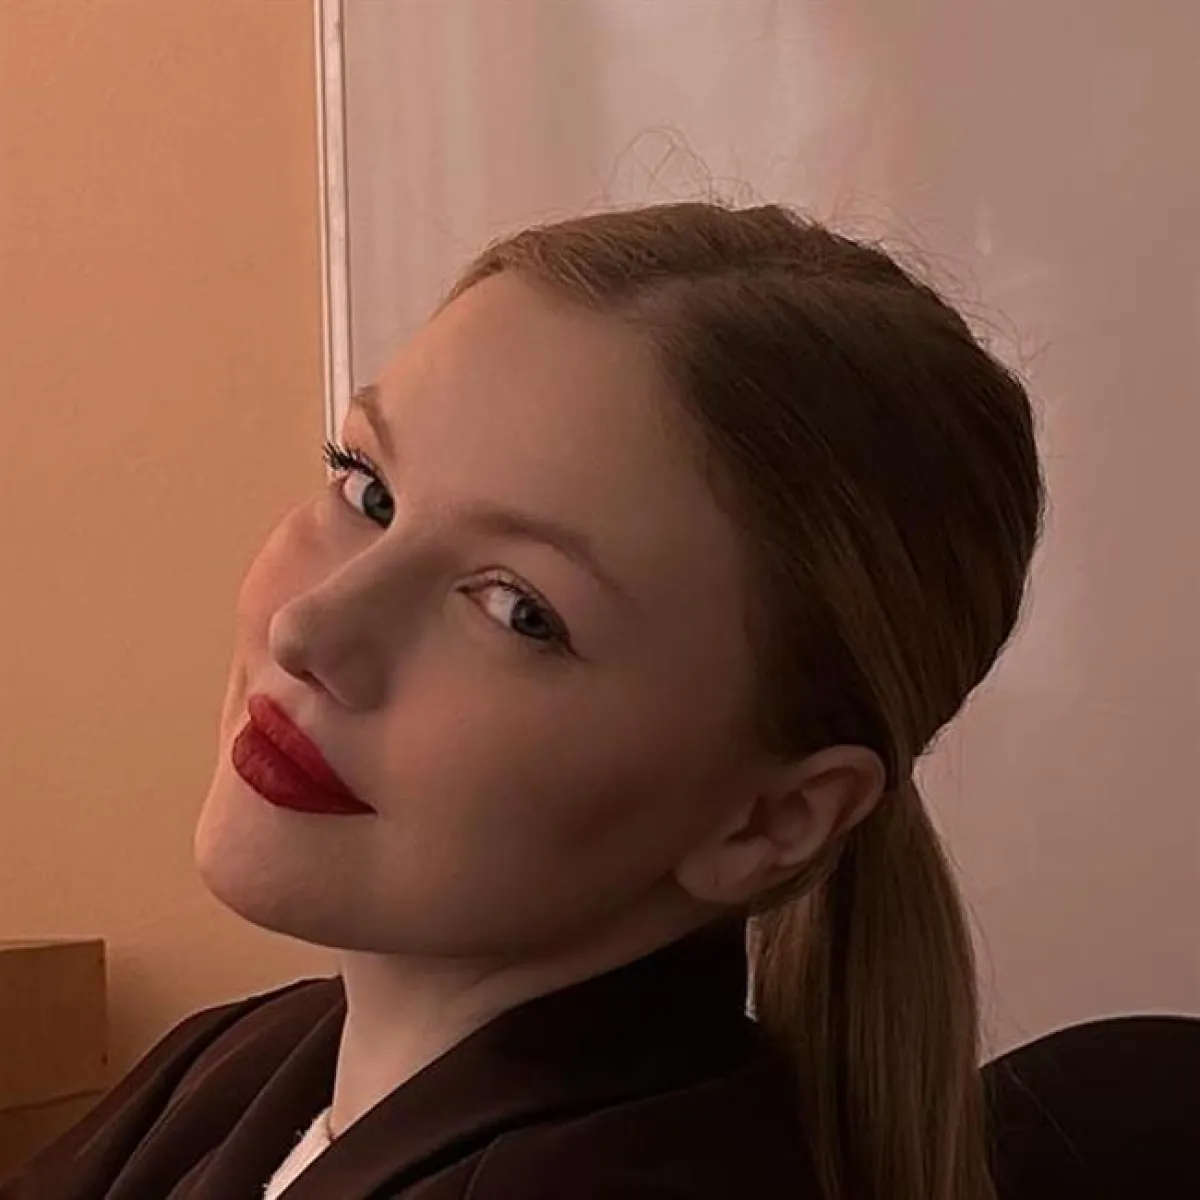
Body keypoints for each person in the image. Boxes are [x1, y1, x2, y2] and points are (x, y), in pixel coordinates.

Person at [0, 201, 1044, 1200]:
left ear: (768, 819)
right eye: (369, 490)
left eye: (519, 610)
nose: (308, 631)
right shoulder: (245, 1063)